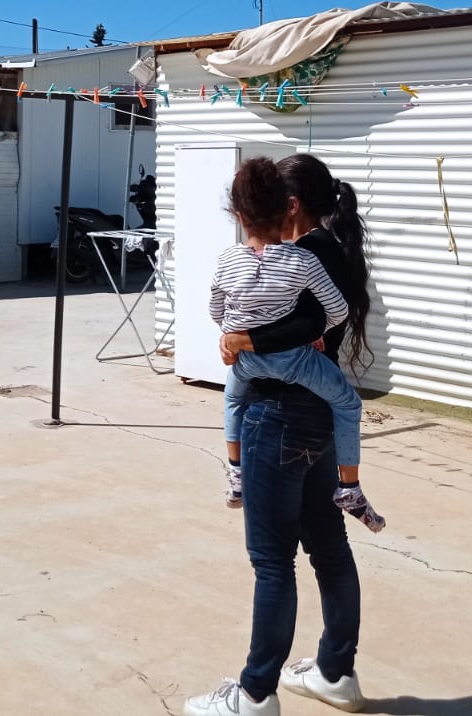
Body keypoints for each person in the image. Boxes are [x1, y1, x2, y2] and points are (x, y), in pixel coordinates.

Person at [185, 153, 375, 716]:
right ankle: (335, 672)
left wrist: (244, 339)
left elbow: (307, 322)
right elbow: (321, 319)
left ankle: (253, 693)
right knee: (328, 547)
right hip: (315, 418)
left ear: (287, 206)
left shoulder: (301, 254)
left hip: (279, 416)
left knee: (272, 562)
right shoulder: (329, 251)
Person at [210, 158, 385, 532]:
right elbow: (330, 312)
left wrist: (237, 336)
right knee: (324, 538)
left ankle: (235, 471)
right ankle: (349, 485)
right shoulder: (312, 252)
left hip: (281, 398)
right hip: (306, 378)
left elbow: (225, 310)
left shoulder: (295, 253)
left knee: (273, 549)